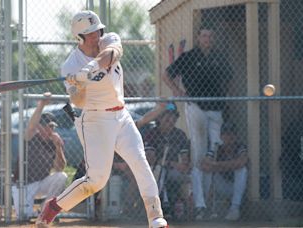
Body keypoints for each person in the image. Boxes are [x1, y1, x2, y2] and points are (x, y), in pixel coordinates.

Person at [36, 10, 168, 228]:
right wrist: (78, 85)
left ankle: (156, 218)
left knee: (140, 162)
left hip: (121, 116)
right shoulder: (70, 66)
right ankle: (53, 207)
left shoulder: (108, 40)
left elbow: (113, 52)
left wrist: (90, 68)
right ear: (79, 37)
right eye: (90, 33)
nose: (96, 36)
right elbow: (78, 102)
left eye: (97, 30)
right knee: (96, 180)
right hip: (95, 121)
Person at [162, 27, 234, 219]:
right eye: (204, 35)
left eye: (210, 36)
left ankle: (208, 205)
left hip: (216, 108)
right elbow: (166, 75)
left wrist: (224, 96)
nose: (207, 39)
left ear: (213, 38)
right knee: (199, 153)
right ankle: (200, 205)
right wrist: (177, 91)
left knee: (212, 156)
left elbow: (229, 78)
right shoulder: (189, 56)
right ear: (198, 38)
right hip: (196, 106)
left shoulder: (219, 56)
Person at [12, 94, 67, 220]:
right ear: (39, 126)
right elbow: (31, 126)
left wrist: (58, 147)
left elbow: (60, 168)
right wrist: (41, 104)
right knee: (24, 218)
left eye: (53, 127)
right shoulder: (31, 137)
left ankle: (45, 211)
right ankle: (31, 213)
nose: (51, 130)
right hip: (22, 184)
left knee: (61, 177)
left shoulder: (54, 142)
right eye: (48, 126)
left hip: (41, 182)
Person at [143, 102, 191, 218]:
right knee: (161, 170)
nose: (170, 119)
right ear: (159, 117)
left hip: (175, 171)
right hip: (156, 171)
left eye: (173, 116)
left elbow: (185, 158)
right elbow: (151, 159)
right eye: (167, 116)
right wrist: (172, 163)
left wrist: (185, 164)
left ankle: (195, 208)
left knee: (195, 173)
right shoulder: (152, 133)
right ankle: (161, 206)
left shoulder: (180, 134)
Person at [200, 122, 248, 221]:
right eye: (226, 134)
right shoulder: (217, 147)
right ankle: (205, 207)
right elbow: (204, 165)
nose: (229, 137)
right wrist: (230, 165)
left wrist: (217, 165)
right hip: (220, 186)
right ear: (221, 136)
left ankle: (234, 208)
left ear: (236, 136)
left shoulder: (240, 146)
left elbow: (242, 162)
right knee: (206, 173)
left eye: (231, 134)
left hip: (235, 188)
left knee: (242, 170)